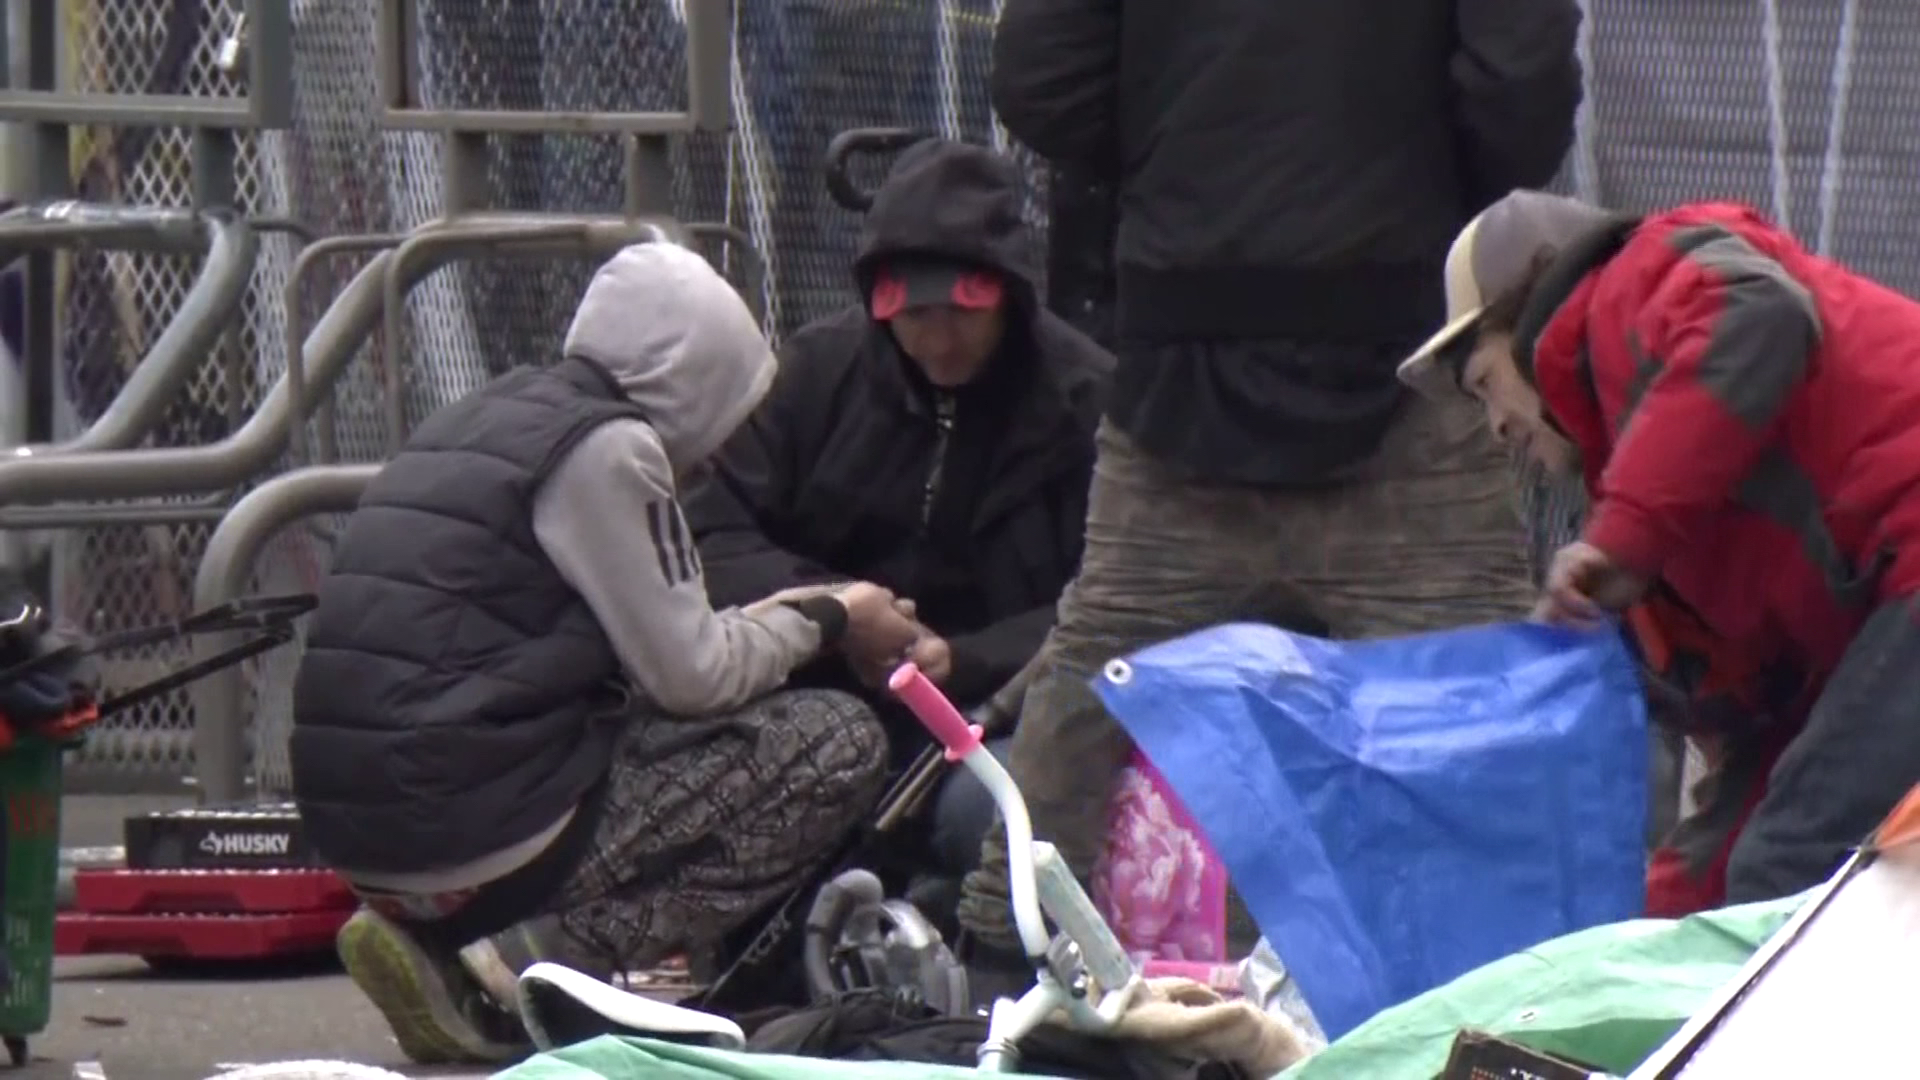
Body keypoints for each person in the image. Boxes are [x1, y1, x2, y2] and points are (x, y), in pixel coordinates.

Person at [955, 0, 1583, 980]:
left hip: (1181, 343)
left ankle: (998, 964)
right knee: (1471, 702)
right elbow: (1522, 91)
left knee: (1097, 674)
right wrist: (1412, 174)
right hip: (1400, 337)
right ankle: (1518, 993)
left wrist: (1184, 165)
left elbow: (1041, 78)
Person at [289, 243, 916, 1065]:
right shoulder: (610, 449)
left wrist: (800, 613)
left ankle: (444, 941)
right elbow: (696, 676)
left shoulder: (486, 414)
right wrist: (837, 616)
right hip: (467, 823)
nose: (721, 452)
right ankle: (542, 956)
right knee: (833, 742)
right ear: (693, 384)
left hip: (365, 826)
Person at [1395, 188, 1920, 913]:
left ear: (1526, 326)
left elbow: (1761, 313)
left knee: (1793, 869)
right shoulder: (1670, 494)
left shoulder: (1633, 285)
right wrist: (1640, 943)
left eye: (1486, 384)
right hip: (1897, 596)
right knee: (1766, 885)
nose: (1496, 428)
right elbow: (1768, 737)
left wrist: (1623, 537)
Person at [683, 138, 1112, 878]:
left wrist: (970, 658)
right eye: (914, 317)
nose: (937, 341)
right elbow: (708, 534)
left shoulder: (1085, 400)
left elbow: (1111, 596)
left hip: (998, 713)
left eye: (961, 315)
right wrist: (836, 612)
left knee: (992, 821)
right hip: (813, 691)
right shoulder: (815, 376)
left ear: (1007, 295)